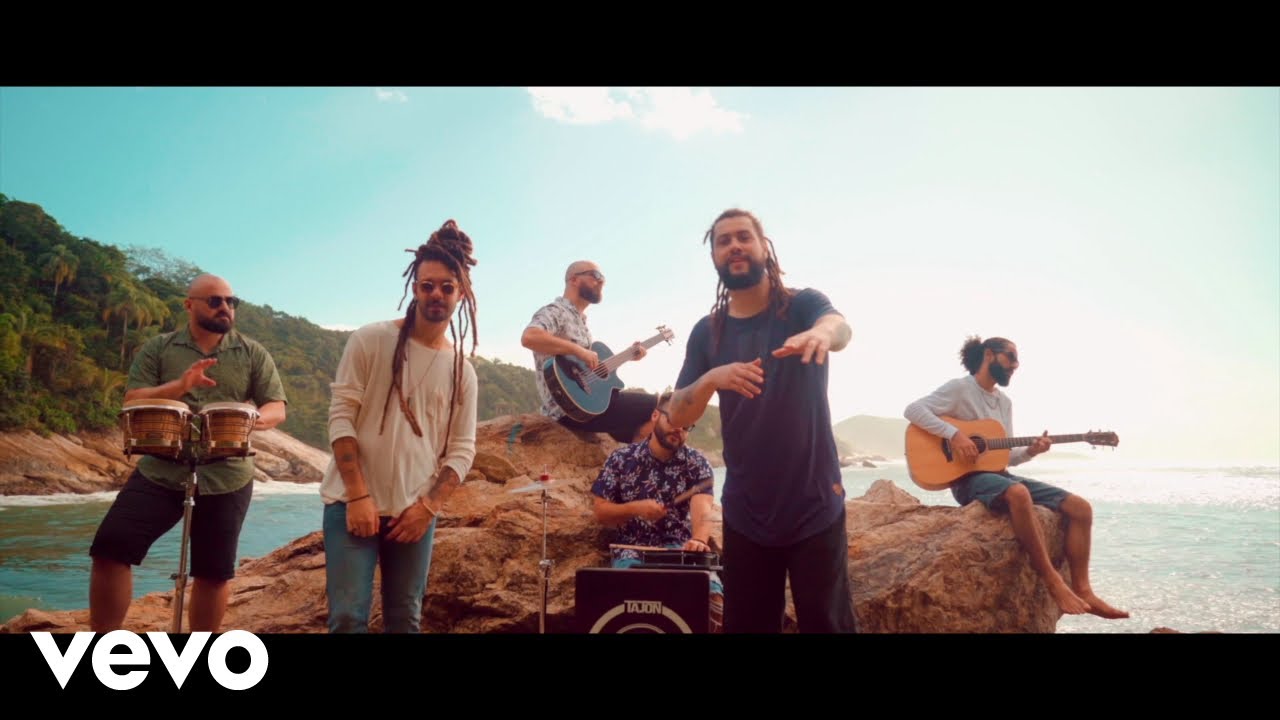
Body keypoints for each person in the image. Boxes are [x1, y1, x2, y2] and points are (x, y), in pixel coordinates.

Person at [666, 208, 856, 633]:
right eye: (723, 241)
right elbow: (677, 413)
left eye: (743, 237)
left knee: (828, 625)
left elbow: (839, 327)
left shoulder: (802, 306)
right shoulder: (707, 332)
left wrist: (822, 334)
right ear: (714, 257)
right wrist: (711, 379)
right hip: (746, 512)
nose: (734, 246)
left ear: (763, 247)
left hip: (815, 503)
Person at [89, 273, 288, 632]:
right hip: (161, 468)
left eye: (231, 301)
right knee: (110, 548)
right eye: (215, 300)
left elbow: (277, 406)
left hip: (227, 474)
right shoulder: (160, 348)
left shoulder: (252, 352)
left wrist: (252, 418)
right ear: (189, 305)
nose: (225, 307)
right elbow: (132, 400)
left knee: (213, 572)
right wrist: (180, 385)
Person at [320, 220, 480, 633]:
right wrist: (358, 496)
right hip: (350, 502)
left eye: (447, 287)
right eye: (427, 285)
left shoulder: (462, 371)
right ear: (414, 288)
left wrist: (427, 509)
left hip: (414, 512)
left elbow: (462, 449)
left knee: (405, 619)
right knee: (347, 617)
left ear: (461, 293)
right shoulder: (370, 339)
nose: (436, 294)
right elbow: (341, 417)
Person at [903, 335, 1129, 619]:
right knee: (1018, 493)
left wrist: (1032, 451)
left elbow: (1005, 455)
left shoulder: (1004, 403)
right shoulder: (960, 388)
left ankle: (1083, 590)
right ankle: (1052, 580)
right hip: (967, 480)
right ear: (989, 355)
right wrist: (956, 435)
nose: (1015, 365)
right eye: (1010, 357)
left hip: (999, 475)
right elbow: (913, 410)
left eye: (1016, 360)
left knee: (1080, 508)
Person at [590, 390, 722, 629]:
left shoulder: (697, 463)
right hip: (632, 551)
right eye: (674, 420)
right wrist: (635, 509)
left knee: (714, 598)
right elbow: (600, 512)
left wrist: (698, 540)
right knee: (628, 599)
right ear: (655, 416)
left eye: (686, 426)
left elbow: (703, 513)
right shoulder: (621, 458)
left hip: (680, 551)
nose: (679, 429)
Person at [521, 260, 658, 443]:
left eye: (603, 278)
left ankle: (634, 455)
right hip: (567, 409)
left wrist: (629, 355)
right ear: (574, 279)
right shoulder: (556, 311)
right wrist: (578, 350)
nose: (601, 281)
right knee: (658, 406)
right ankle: (639, 455)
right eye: (596, 275)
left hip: (589, 405)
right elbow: (529, 337)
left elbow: (589, 373)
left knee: (639, 425)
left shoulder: (580, 321)